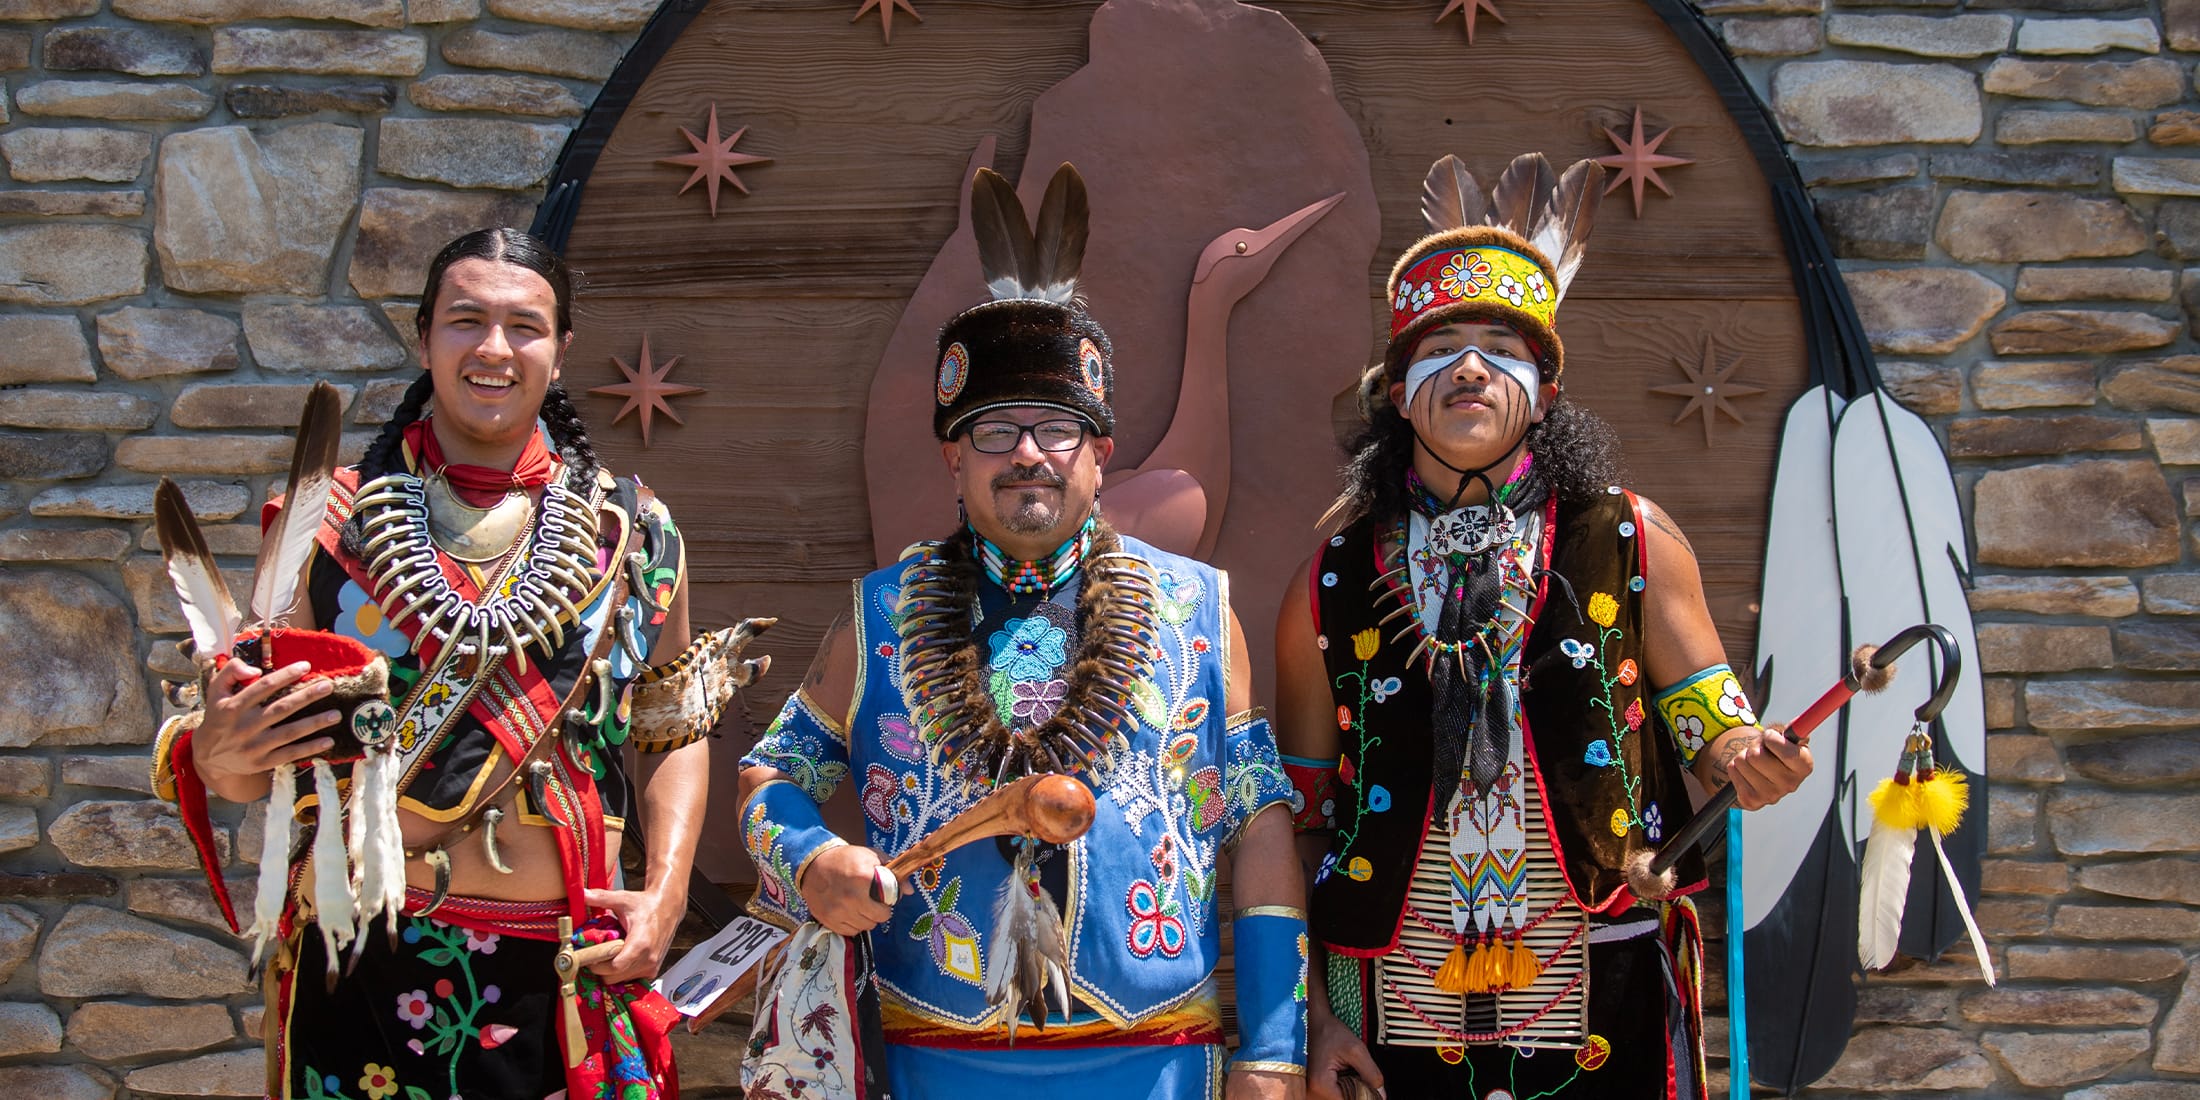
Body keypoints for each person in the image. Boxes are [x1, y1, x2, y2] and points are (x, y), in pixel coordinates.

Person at [736, 164, 1308, 1100]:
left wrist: (1275, 1050)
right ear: (953, 456)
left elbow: (1260, 820)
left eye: (1057, 429)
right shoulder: (879, 617)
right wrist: (811, 859)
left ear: (1102, 453)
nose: (1029, 454)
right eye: (995, 431)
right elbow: (772, 777)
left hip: (1158, 1063)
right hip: (936, 1064)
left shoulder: (1200, 611)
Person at [151, 228, 758, 1100]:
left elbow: (672, 726)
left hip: (563, 966)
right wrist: (218, 752)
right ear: (424, 337)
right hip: (362, 965)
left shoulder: (633, 531)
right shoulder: (328, 526)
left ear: (561, 350)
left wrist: (664, 896)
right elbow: (251, 765)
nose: (494, 348)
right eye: (466, 320)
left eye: (525, 326)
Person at [1274, 154, 1814, 1100]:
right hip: (1392, 986)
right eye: (1440, 346)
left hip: (1605, 959)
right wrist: (1315, 1015)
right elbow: (1303, 820)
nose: (1470, 366)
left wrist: (1745, 755)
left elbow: (1709, 716)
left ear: (1549, 391)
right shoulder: (1332, 577)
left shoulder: (1631, 539)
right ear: (1397, 393)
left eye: (1502, 345)